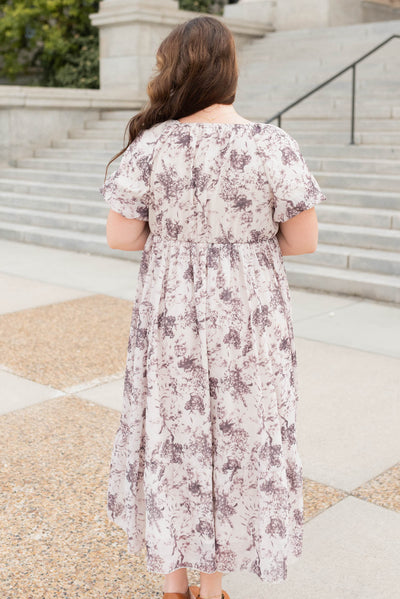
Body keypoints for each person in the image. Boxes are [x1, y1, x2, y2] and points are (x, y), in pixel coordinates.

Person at [100, 14, 327, 599]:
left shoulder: (153, 146)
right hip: (250, 312)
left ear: (175, 69)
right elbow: (302, 241)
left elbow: (122, 237)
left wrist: (179, 240)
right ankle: (214, 583)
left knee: (174, 432)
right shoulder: (271, 144)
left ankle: (174, 584)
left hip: (171, 308)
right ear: (230, 69)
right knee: (241, 434)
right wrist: (244, 244)